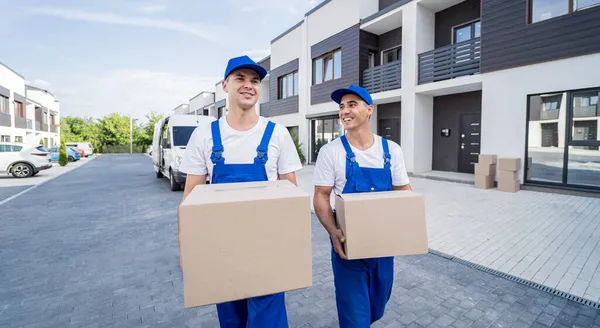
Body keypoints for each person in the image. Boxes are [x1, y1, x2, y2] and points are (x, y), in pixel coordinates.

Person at [178, 55, 303, 328]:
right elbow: (189, 201)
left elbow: (291, 198)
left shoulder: (278, 134)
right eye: (240, 78)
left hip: (267, 249)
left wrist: (292, 250)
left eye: (255, 80)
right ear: (225, 85)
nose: (249, 85)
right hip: (221, 250)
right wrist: (186, 250)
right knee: (232, 321)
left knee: (267, 322)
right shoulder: (205, 136)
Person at [312, 85, 412, 327]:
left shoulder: (391, 150)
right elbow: (321, 196)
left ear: (369, 110)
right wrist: (333, 231)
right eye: (341, 106)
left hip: (382, 245)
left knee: (377, 304)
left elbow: (403, 192)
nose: (345, 111)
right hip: (348, 245)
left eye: (352, 104)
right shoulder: (331, 152)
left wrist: (408, 227)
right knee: (355, 316)